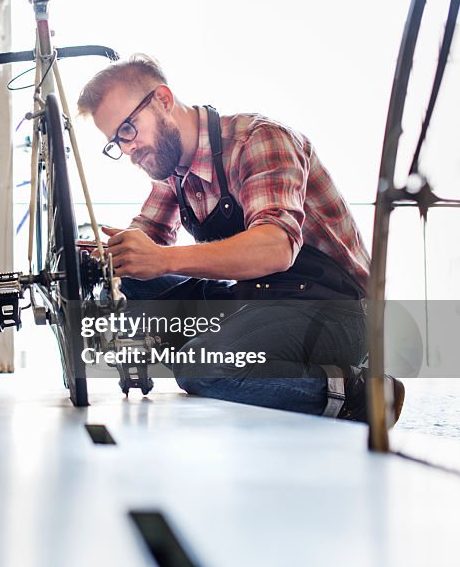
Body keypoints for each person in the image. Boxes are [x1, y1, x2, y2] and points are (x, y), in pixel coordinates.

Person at [76, 53, 405, 424]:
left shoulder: (259, 139)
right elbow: (143, 240)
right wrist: (92, 259)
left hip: (334, 310)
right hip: (257, 299)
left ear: (163, 100)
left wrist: (163, 260)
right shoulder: (174, 171)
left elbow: (276, 248)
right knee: (133, 283)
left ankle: (357, 393)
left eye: (128, 130)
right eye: (115, 143)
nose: (127, 149)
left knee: (202, 366)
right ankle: (231, 355)